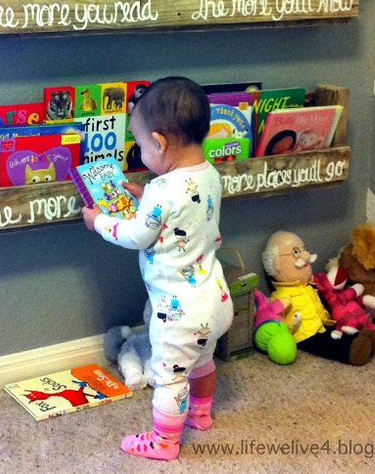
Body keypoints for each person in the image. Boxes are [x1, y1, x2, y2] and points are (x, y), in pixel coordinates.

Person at [82, 77, 233, 461]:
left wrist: (98, 221)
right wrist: (143, 193)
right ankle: (200, 414)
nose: (141, 152)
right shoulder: (209, 174)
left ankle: (164, 442)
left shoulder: (162, 192)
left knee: (169, 377)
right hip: (214, 297)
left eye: (142, 145)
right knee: (202, 361)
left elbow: (136, 234)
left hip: (178, 312)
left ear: (160, 142)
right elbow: (181, 209)